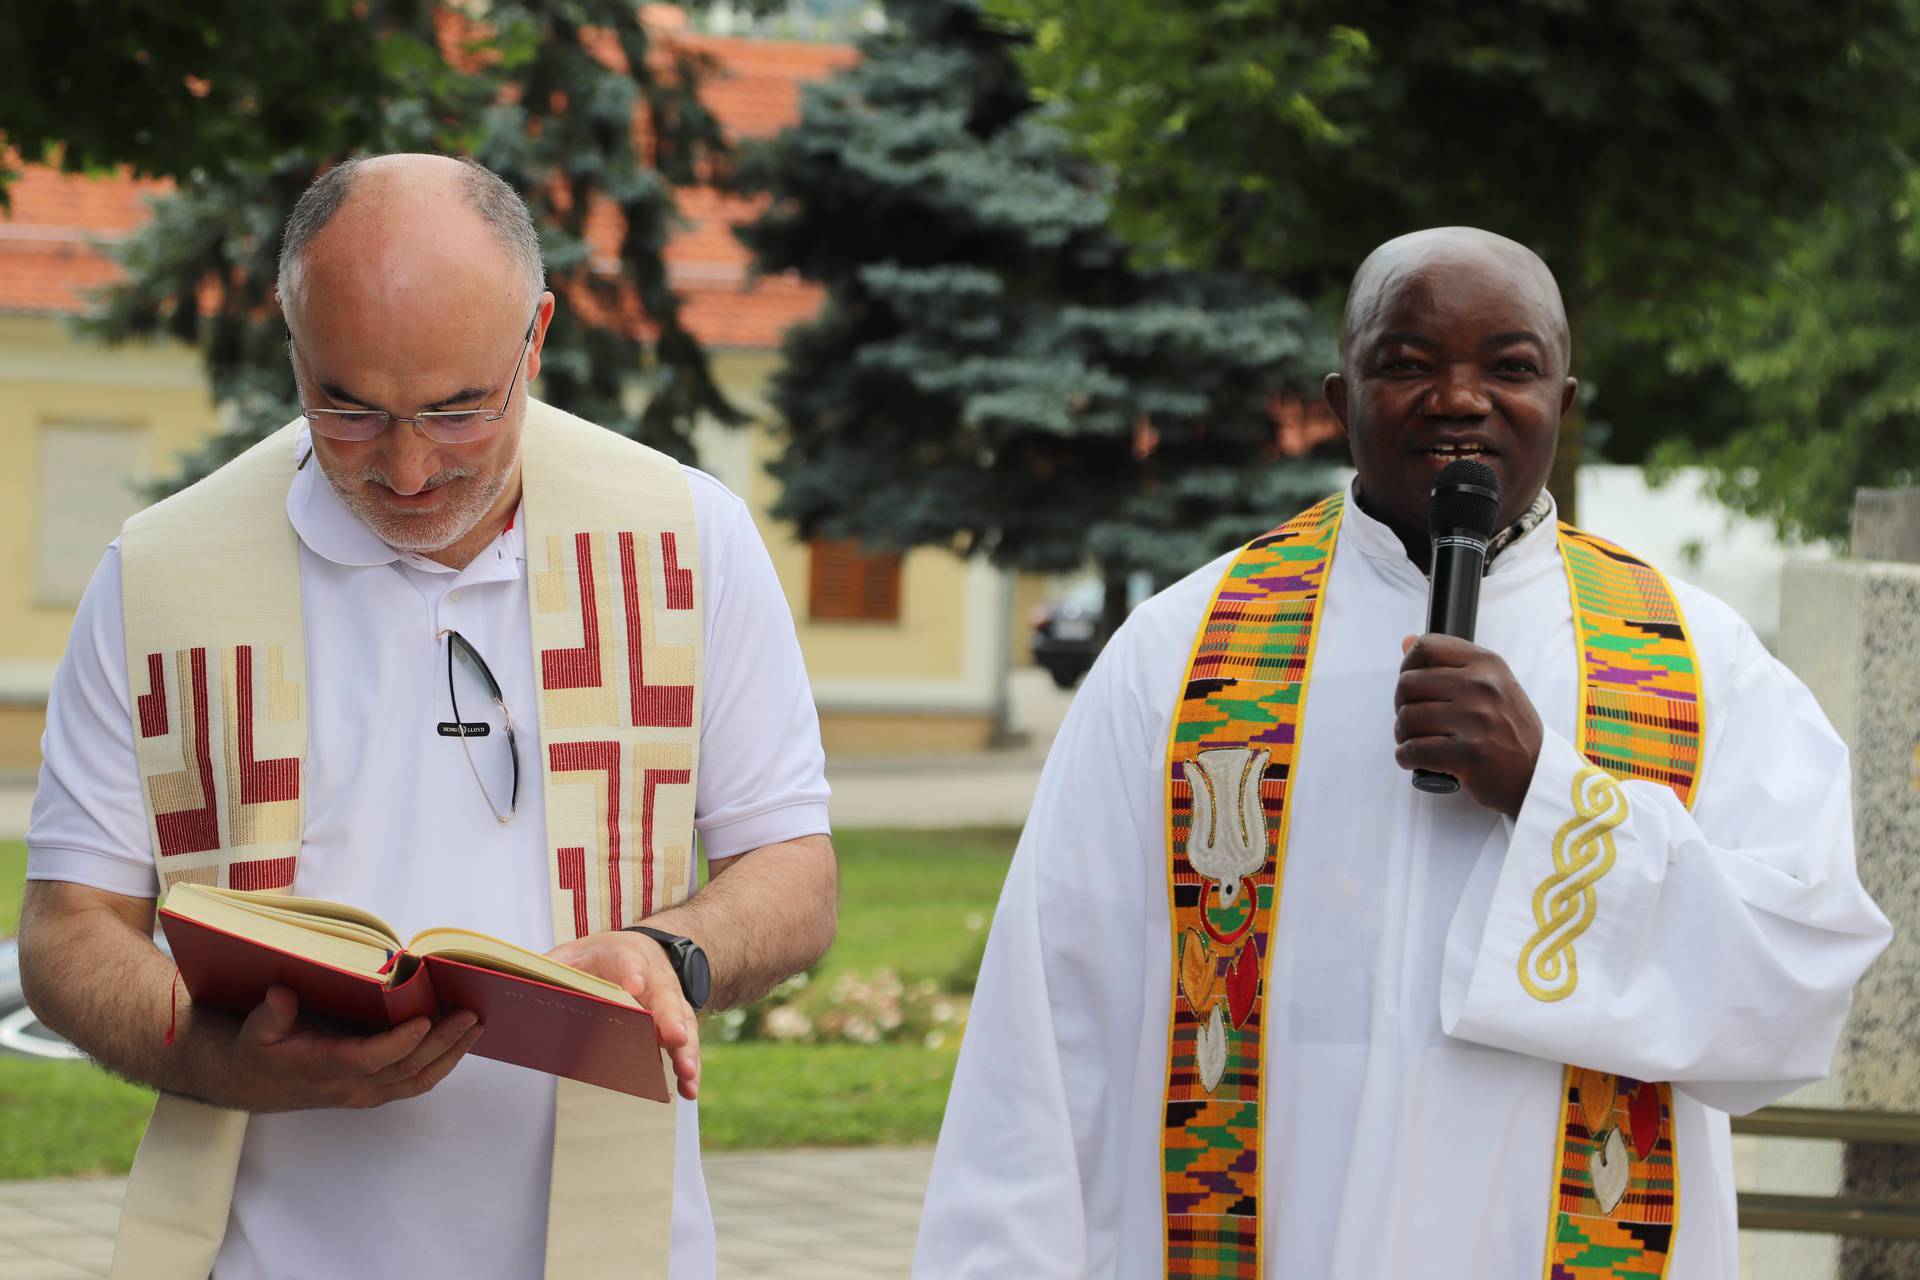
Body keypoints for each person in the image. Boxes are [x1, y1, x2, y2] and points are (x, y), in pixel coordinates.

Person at [914, 227, 1890, 1278]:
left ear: (1564, 405)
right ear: (1339, 401)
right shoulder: (1183, 651)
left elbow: (1792, 986)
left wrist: (1548, 792)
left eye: (1510, 367)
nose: (1459, 398)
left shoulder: (1697, 663)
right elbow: (1046, 1020)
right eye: (1409, 362)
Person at [18, 153, 836, 1280]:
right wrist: (224, 1057)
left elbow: (793, 867)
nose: (406, 468)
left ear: (536, 337)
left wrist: (668, 951)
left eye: (458, 408)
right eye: (348, 407)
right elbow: (68, 927)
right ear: (291, 340)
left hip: (606, 1246)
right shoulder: (159, 572)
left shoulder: (689, 542)